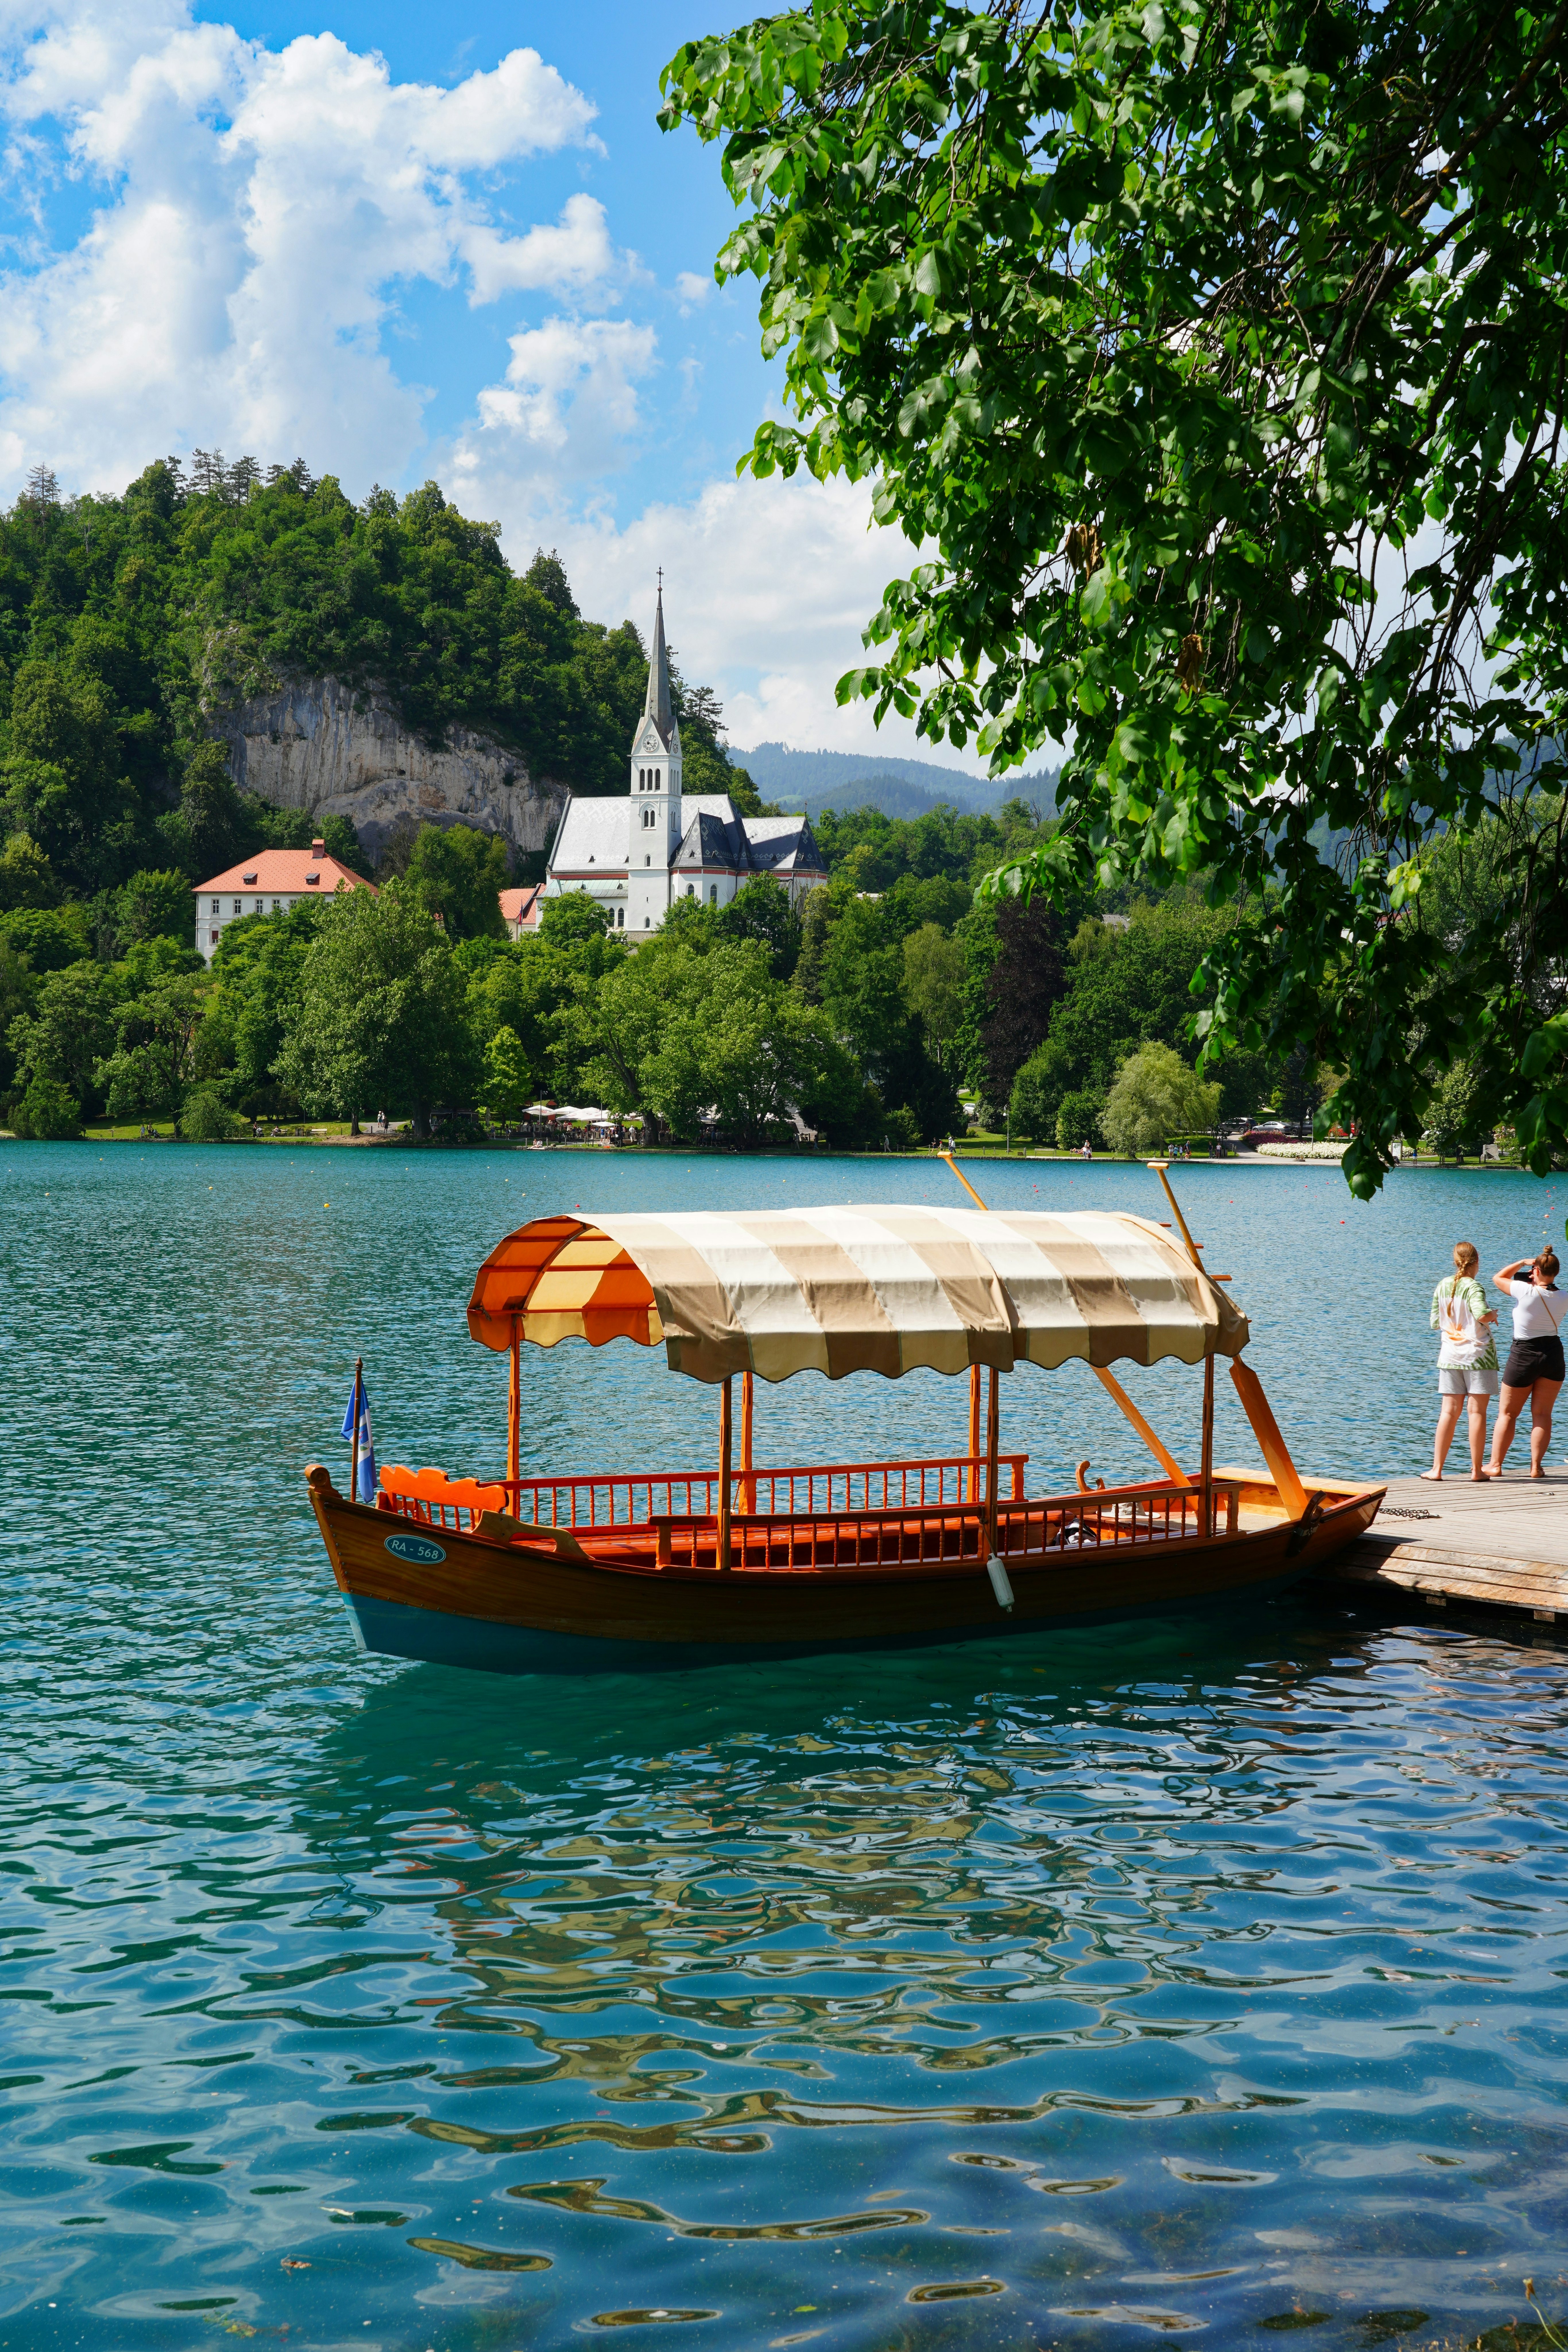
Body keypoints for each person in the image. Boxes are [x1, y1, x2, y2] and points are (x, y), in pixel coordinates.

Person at [1487, 1247, 1567, 1478]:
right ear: (1556, 1273)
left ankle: (1495, 1465)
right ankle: (1536, 1467)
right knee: (1542, 1414)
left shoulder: (1525, 1291)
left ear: (1536, 1270)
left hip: (1524, 1353)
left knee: (1508, 1414)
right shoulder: (1564, 1297)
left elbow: (1498, 1278)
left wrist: (1522, 1262)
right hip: (1553, 1354)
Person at [1423, 1241, 1499, 1481]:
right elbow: (1482, 1314)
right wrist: (1493, 1315)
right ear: (1476, 1261)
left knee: (1448, 1412)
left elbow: (1435, 1323)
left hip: (1449, 1356)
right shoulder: (1473, 1287)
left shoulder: (1443, 1285)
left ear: (1455, 1261)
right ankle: (1477, 1471)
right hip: (1478, 1357)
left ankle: (1436, 1470)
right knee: (1476, 1413)